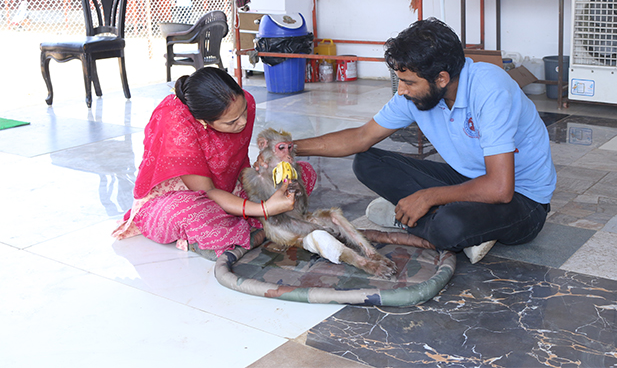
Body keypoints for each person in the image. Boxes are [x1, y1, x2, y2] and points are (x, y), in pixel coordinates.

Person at [292, 18, 556, 264]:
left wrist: (429, 196)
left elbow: (500, 188)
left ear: (441, 78)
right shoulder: (417, 93)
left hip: (521, 199)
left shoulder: (490, 90)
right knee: (367, 162)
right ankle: (445, 224)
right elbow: (361, 137)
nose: (401, 90)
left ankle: (421, 220)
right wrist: (290, 148)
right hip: (469, 179)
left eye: (408, 83)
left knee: (449, 226)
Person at [113, 67, 317, 259]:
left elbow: (237, 164)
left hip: (230, 188)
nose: (243, 122)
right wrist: (264, 209)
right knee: (192, 213)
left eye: (243, 112)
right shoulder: (176, 123)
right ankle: (254, 226)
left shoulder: (245, 102)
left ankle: (249, 228)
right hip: (184, 197)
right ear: (204, 121)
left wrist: (264, 169)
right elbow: (207, 191)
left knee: (303, 174)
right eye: (232, 122)